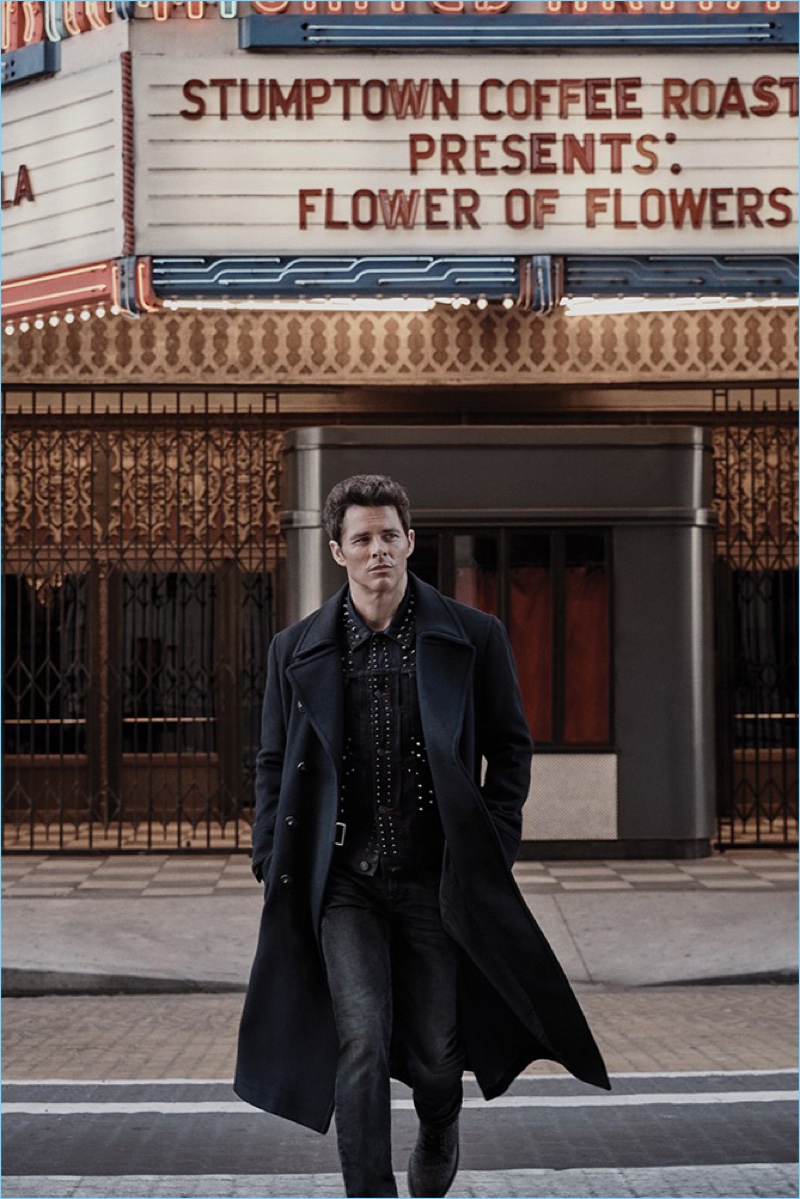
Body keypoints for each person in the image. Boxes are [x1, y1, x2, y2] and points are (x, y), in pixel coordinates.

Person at [234, 473, 609, 1198]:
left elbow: (511, 746)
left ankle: (440, 1122)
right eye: (362, 538)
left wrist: (491, 844)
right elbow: (273, 759)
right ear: (338, 551)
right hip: (342, 881)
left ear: (412, 541)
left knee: (439, 1056)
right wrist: (268, 851)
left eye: (389, 536)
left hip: (436, 878)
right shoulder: (295, 650)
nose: (378, 550)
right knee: (363, 1040)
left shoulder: (474, 636)